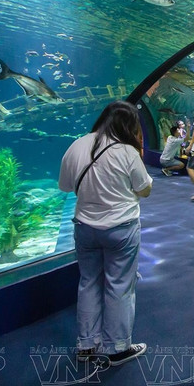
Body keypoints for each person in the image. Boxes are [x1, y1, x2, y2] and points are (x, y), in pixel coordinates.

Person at [58, 100, 151, 366]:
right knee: (120, 285)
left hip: (85, 228)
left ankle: (87, 344)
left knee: (88, 282)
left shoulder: (77, 144)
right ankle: (118, 347)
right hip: (121, 230)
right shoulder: (127, 152)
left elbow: (65, 186)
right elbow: (144, 189)